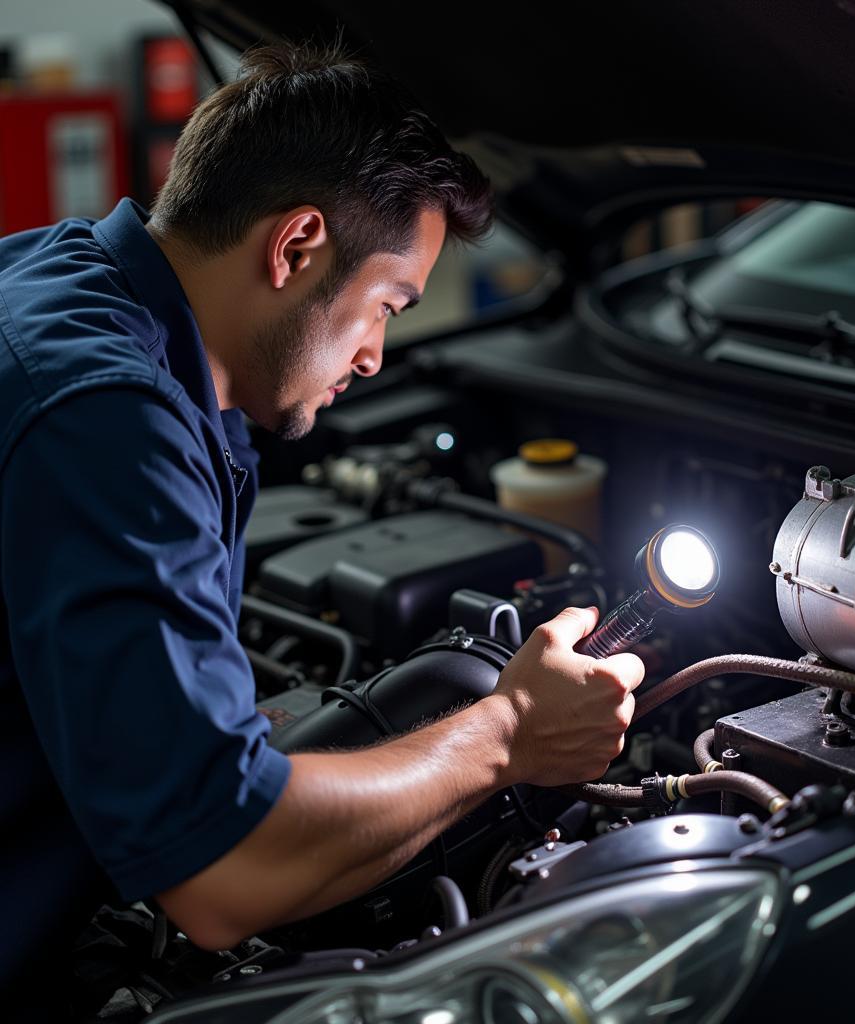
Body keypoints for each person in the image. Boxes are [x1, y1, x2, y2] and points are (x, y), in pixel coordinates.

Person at [0, 43, 643, 1015]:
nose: (380, 354)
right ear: (296, 245)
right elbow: (223, 871)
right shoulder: (106, 418)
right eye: (387, 303)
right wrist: (510, 731)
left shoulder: (53, 274)